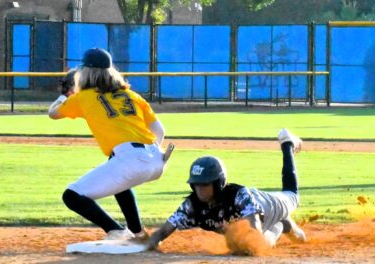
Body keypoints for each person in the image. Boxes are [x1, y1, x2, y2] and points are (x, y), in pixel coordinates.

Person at [49, 48, 171, 240]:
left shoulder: (83, 97)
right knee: (118, 175)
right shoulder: (132, 96)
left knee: (71, 196)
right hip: (157, 160)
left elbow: (53, 113)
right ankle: (138, 233)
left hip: (131, 159)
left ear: (86, 73)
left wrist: (66, 95)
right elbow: (160, 131)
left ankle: (116, 232)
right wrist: (150, 156)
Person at [147, 128, 306, 249]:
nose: (200, 189)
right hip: (257, 208)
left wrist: (239, 241)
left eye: (205, 184)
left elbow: (255, 232)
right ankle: (282, 225)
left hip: (271, 205)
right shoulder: (191, 206)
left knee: (292, 196)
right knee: (243, 243)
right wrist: (148, 244)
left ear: (218, 183)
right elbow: (161, 233)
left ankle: (287, 143)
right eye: (196, 184)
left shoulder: (239, 197)